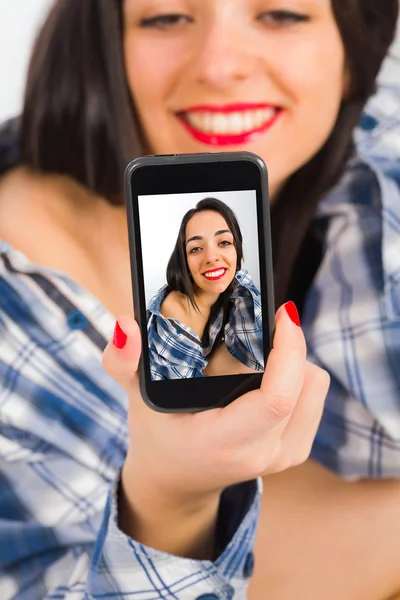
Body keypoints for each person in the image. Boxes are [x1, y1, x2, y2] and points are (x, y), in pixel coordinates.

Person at [0, 0, 399, 598]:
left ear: (355, 53)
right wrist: (169, 498)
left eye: (283, 14)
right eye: (165, 17)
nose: (220, 65)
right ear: (102, 48)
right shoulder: (26, 323)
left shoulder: (368, 163)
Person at [147, 197, 264, 379]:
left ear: (237, 247)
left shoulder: (237, 285)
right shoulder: (176, 309)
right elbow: (182, 391)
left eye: (224, 243)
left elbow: (259, 348)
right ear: (184, 260)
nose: (211, 257)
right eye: (196, 249)